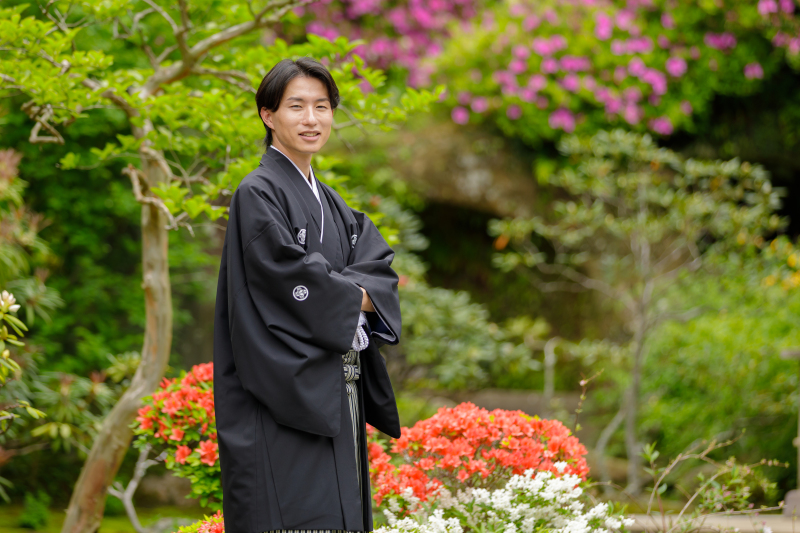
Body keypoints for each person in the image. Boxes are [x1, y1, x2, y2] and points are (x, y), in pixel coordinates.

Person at [212, 57, 402, 533]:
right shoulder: (257, 193)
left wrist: (346, 288)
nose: (311, 118)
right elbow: (290, 277)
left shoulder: (332, 201)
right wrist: (352, 294)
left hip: (337, 388)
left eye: (322, 105)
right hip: (282, 391)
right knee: (292, 512)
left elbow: (378, 265)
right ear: (268, 115)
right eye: (296, 105)